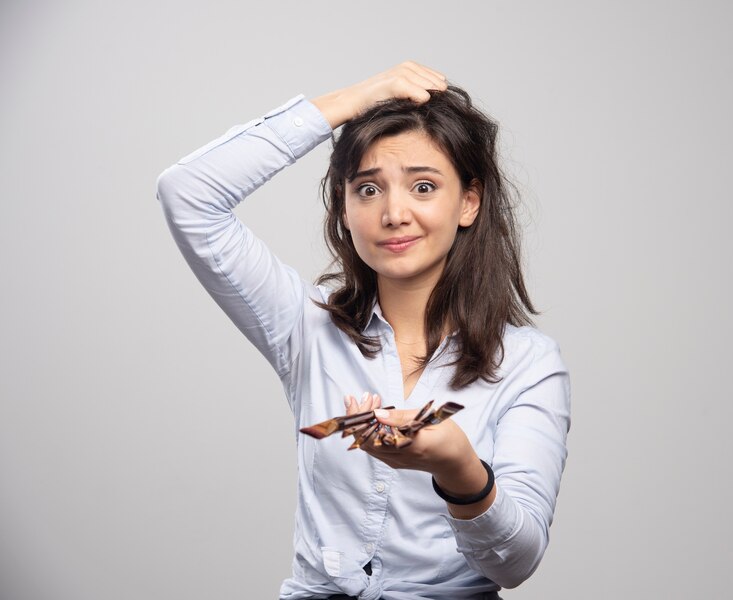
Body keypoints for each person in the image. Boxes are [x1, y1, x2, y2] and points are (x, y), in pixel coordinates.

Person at [156, 62, 570, 600]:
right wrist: (358, 99)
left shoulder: (529, 364)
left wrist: (460, 468)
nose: (394, 213)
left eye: (423, 186)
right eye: (368, 189)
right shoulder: (307, 325)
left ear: (468, 202)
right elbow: (186, 193)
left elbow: (516, 563)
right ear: (344, 209)